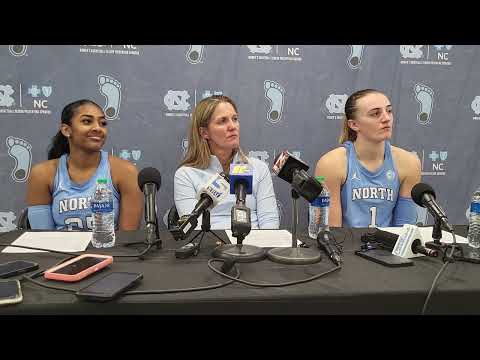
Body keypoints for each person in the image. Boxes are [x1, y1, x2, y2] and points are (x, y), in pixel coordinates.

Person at [26, 99, 143, 230]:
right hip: (58, 250)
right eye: (87, 121)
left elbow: (127, 239)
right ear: (66, 130)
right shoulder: (42, 174)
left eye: (102, 123)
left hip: (109, 249)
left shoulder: (126, 172)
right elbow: (42, 239)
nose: (98, 128)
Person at [314, 89, 421, 228]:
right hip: (343, 247)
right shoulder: (331, 164)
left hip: (390, 248)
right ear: (354, 125)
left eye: (389, 111)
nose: (386, 118)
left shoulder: (409, 163)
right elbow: (331, 233)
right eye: (375, 113)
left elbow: (405, 230)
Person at [174, 95, 279, 229]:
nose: (232, 126)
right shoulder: (186, 175)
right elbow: (193, 228)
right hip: (210, 246)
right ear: (204, 132)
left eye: (234, 119)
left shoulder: (259, 168)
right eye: (222, 121)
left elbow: (269, 222)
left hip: (254, 247)